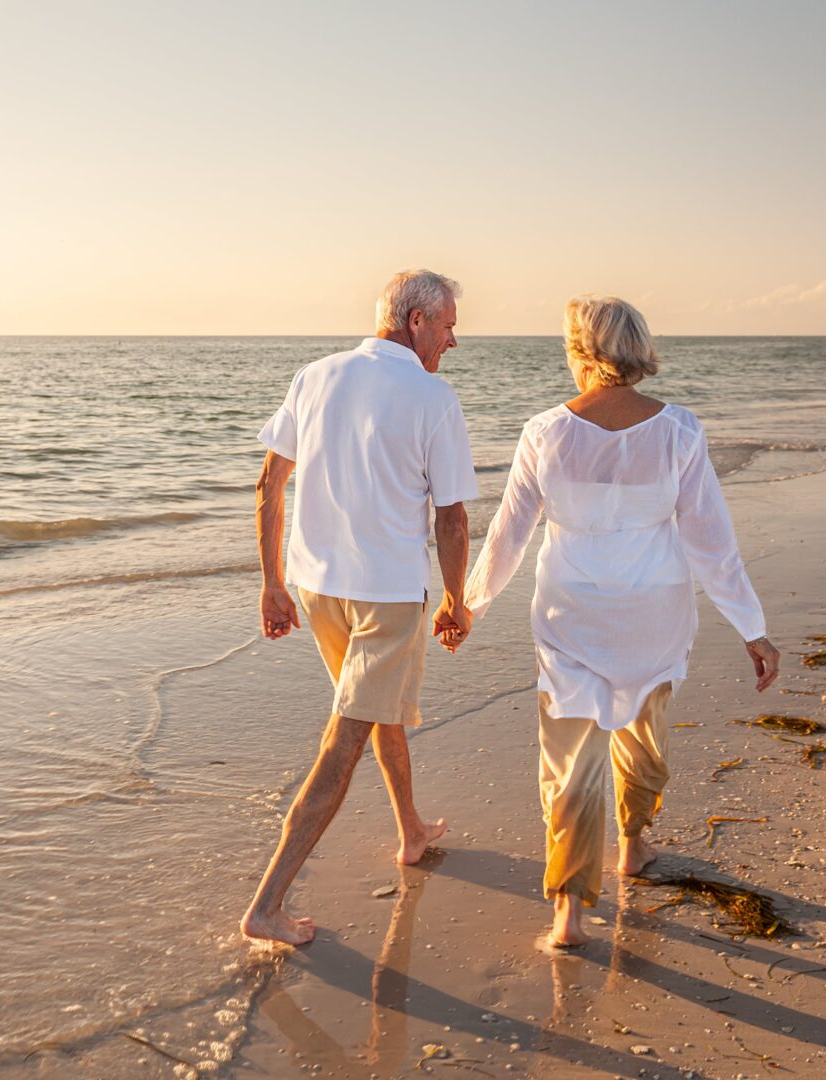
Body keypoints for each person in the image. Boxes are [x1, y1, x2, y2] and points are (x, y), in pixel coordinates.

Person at [463, 294, 781, 948]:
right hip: (653, 614)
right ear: (635, 350)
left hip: (570, 613)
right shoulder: (680, 431)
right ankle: (632, 846)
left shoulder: (545, 432)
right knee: (643, 734)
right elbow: (711, 543)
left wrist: (467, 605)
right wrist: (752, 626)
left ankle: (570, 913)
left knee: (570, 760)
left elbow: (507, 540)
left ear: (581, 351)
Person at [240, 269, 479, 946]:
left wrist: (273, 583)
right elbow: (453, 519)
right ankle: (267, 905)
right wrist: (459, 601)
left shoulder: (314, 375)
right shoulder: (433, 398)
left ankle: (410, 831)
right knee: (345, 738)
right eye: (449, 325)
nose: (454, 340)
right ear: (416, 322)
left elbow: (268, 486)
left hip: (317, 590)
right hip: (387, 598)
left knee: (377, 711)